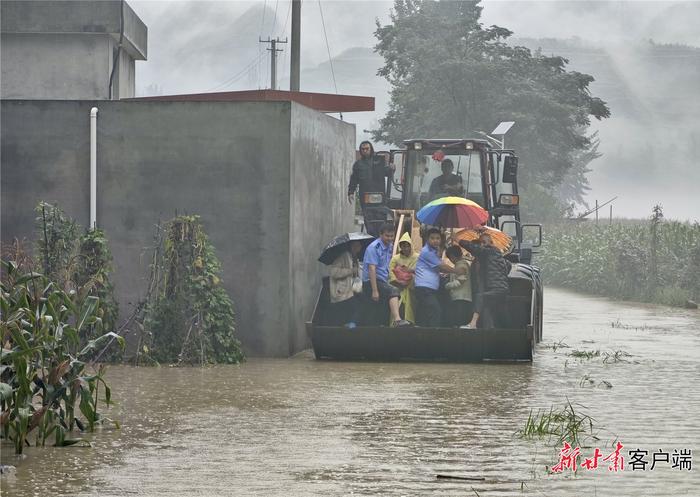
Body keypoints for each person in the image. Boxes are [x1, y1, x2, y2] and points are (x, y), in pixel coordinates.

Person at [414, 228, 467, 327]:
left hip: (429, 288)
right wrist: (457, 271)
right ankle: (434, 336)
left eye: (438, 238)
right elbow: (441, 266)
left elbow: (438, 268)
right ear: (427, 239)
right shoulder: (427, 252)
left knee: (427, 313)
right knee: (435, 310)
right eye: (432, 238)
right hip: (425, 288)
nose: (435, 240)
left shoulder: (434, 252)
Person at [459, 230, 512, 329]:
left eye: (484, 242)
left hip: (497, 289)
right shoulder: (488, 258)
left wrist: (459, 240)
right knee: (495, 310)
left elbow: (476, 249)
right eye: (481, 243)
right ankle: (495, 329)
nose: (482, 245)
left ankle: (473, 324)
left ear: (491, 243)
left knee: (481, 297)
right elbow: (508, 266)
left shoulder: (491, 251)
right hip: (500, 289)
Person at [363, 222, 411, 327]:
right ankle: (398, 320)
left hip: (382, 280)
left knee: (382, 307)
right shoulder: (374, 248)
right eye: (387, 236)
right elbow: (372, 268)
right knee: (393, 290)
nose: (389, 238)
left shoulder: (390, 246)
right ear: (380, 235)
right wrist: (375, 290)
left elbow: (388, 264)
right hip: (371, 281)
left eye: (392, 236)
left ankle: (382, 327)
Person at [347, 141, 395, 211]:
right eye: (363, 149)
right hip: (365, 195)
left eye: (367, 148)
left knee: (380, 214)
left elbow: (387, 173)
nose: (365, 151)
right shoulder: (358, 164)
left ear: (371, 149)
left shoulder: (378, 161)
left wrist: (392, 168)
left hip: (378, 194)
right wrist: (351, 192)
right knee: (367, 215)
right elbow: (354, 179)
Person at [328, 240, 363, 328]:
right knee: (356, 307)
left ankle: (351, 324)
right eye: (355, 246)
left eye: (359, 246)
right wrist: (351, 271)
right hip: (342, 291)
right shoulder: (344, 256)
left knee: (357, 307)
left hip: (352, 290)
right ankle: (352, 324)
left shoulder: (355, 258)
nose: (357, 248)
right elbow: (334, 272)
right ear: (350, 246)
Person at [389, 232, 418, 323]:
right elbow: (390, 270)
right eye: (403, 246)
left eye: (407, 246)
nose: (406, 248)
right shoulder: (395, 258)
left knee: (411, 309)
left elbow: (419, 270)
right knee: (398, 306)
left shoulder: (417, 257)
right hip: (398, 288)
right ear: (400, 247)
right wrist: (397, 281)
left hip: (412, 288)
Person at [444, 245, 474, 327]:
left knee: (459, 322)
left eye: (450, 258)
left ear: (452, 257)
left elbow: (461, 280)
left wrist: (447, 286)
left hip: (461, 298)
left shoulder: (461, 266)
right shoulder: (461, 264)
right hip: (462, 297)